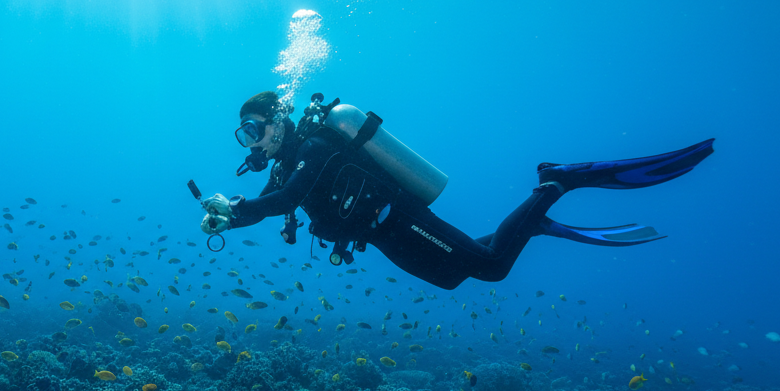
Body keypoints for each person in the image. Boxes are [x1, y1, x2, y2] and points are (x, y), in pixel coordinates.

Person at [200, 91, 713, 290]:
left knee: (490, 268)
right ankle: (532, 222)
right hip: (380, 236)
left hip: (398, 218)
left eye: (254, 130)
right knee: (452, 277)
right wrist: (228, 215)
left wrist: (238, 207)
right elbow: (269, 203)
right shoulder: (286, 163)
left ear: (278, 121)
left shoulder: (313, 147)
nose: (251, 141)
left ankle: (555, 183)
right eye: (243, 135)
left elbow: (284, 201)